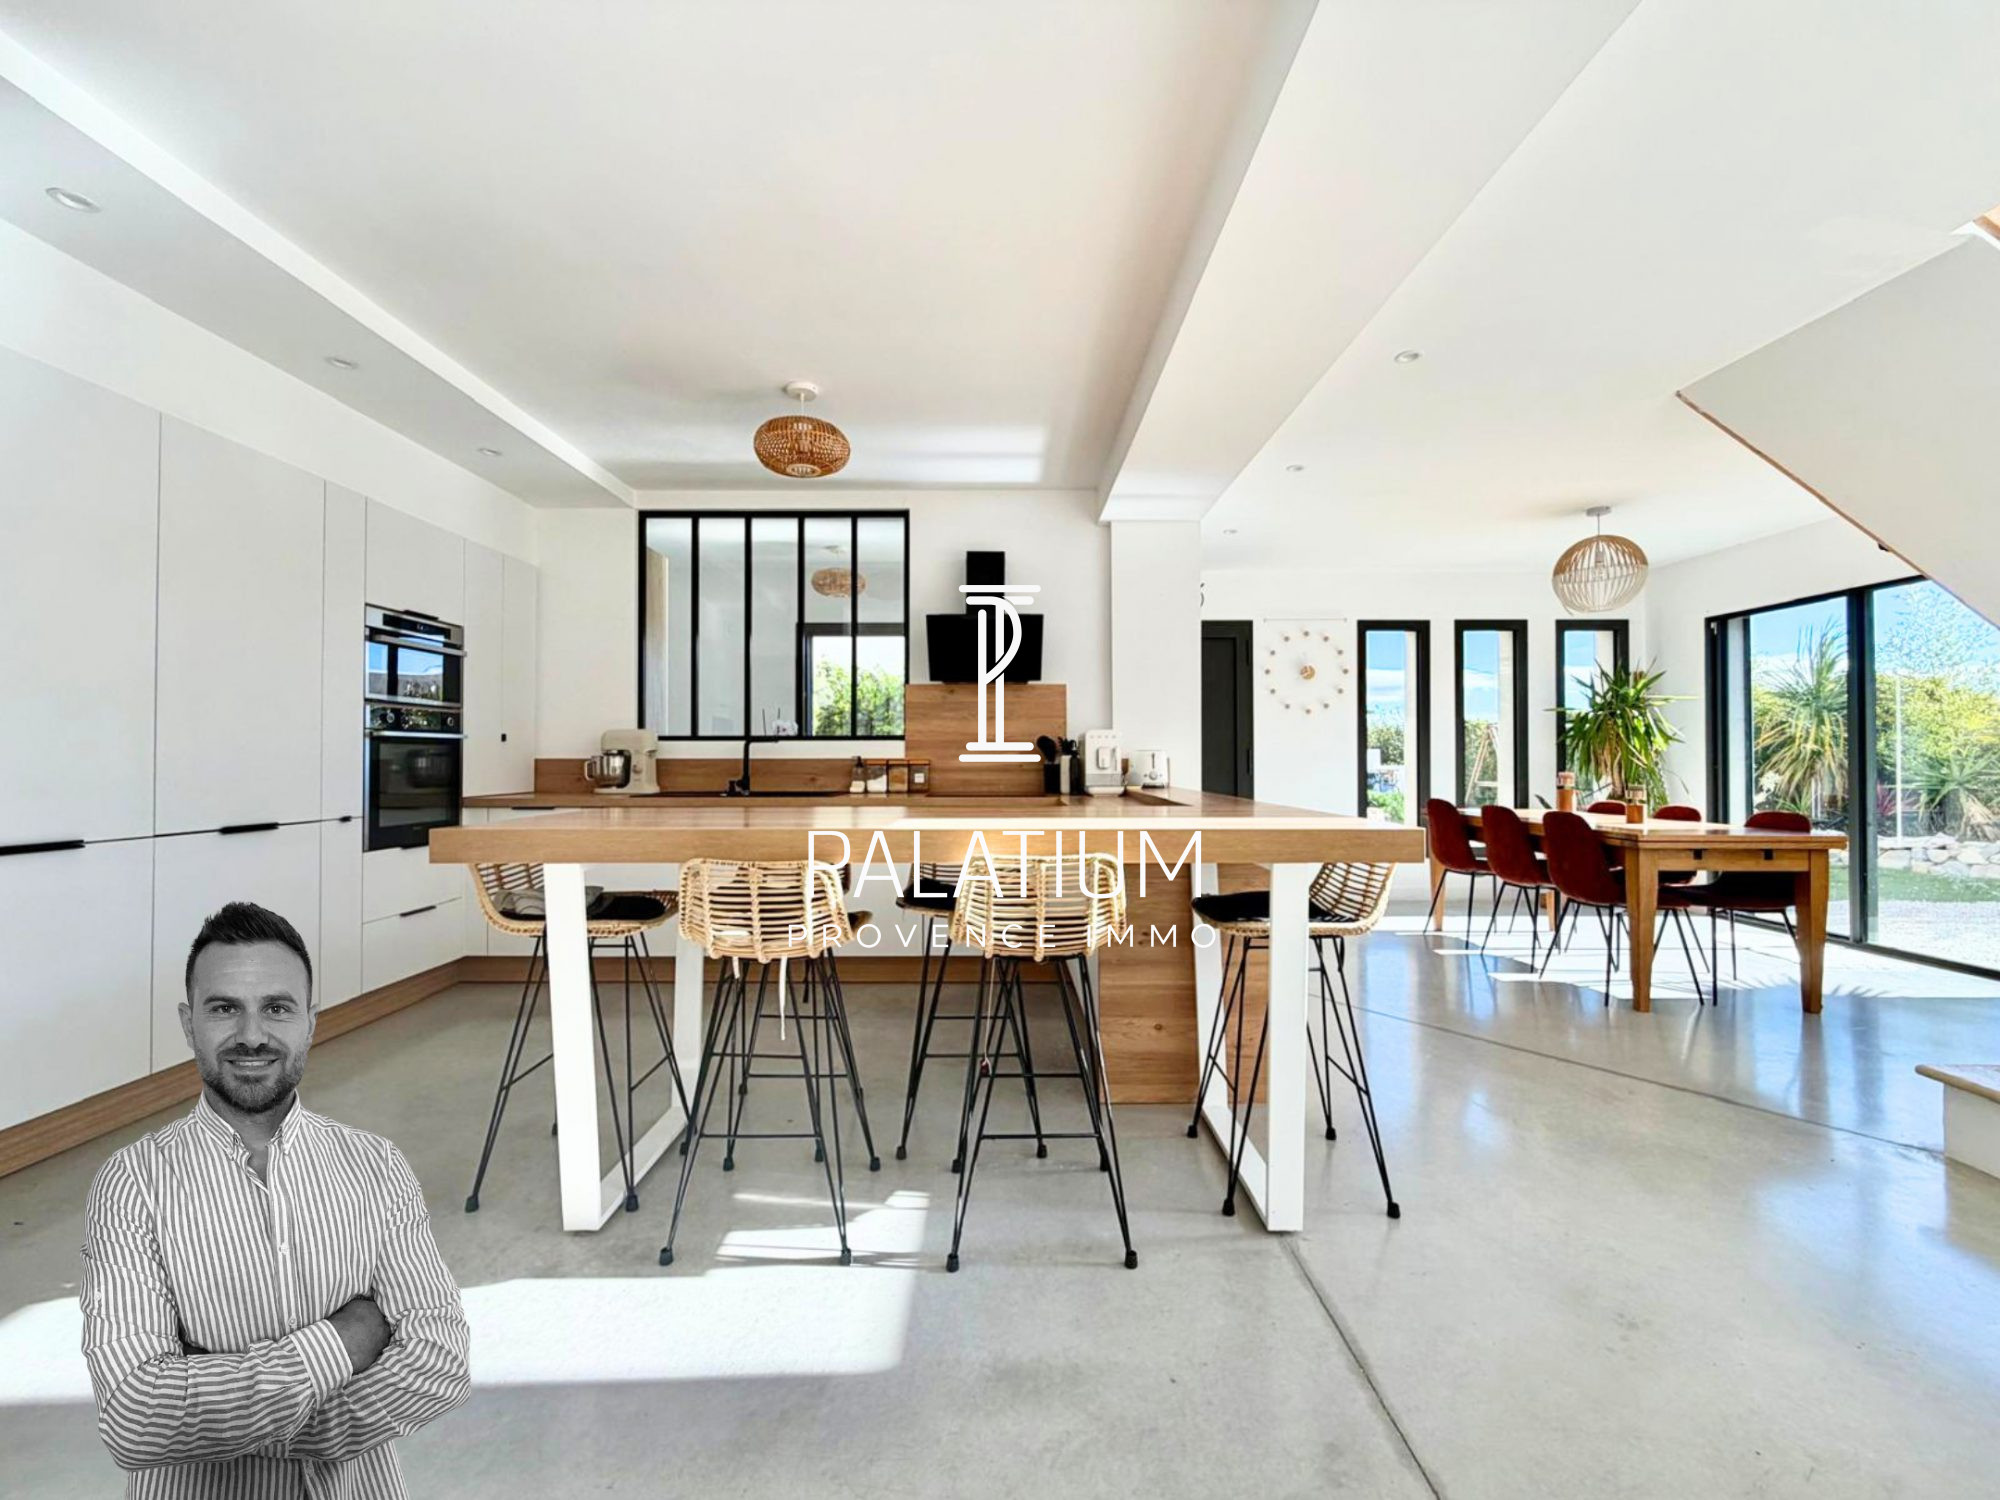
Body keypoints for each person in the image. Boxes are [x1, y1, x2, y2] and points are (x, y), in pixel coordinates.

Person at [80, 901, 470, 1498]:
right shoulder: (130, 1184)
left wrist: (233, 1413)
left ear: (310, 1022)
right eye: (224, 1009)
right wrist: (347, 1338)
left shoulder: (377, 1166)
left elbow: (441, 1362)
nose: (252, 1035)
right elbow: (136, 1423)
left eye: (277, 1008)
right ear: (189, 1024)